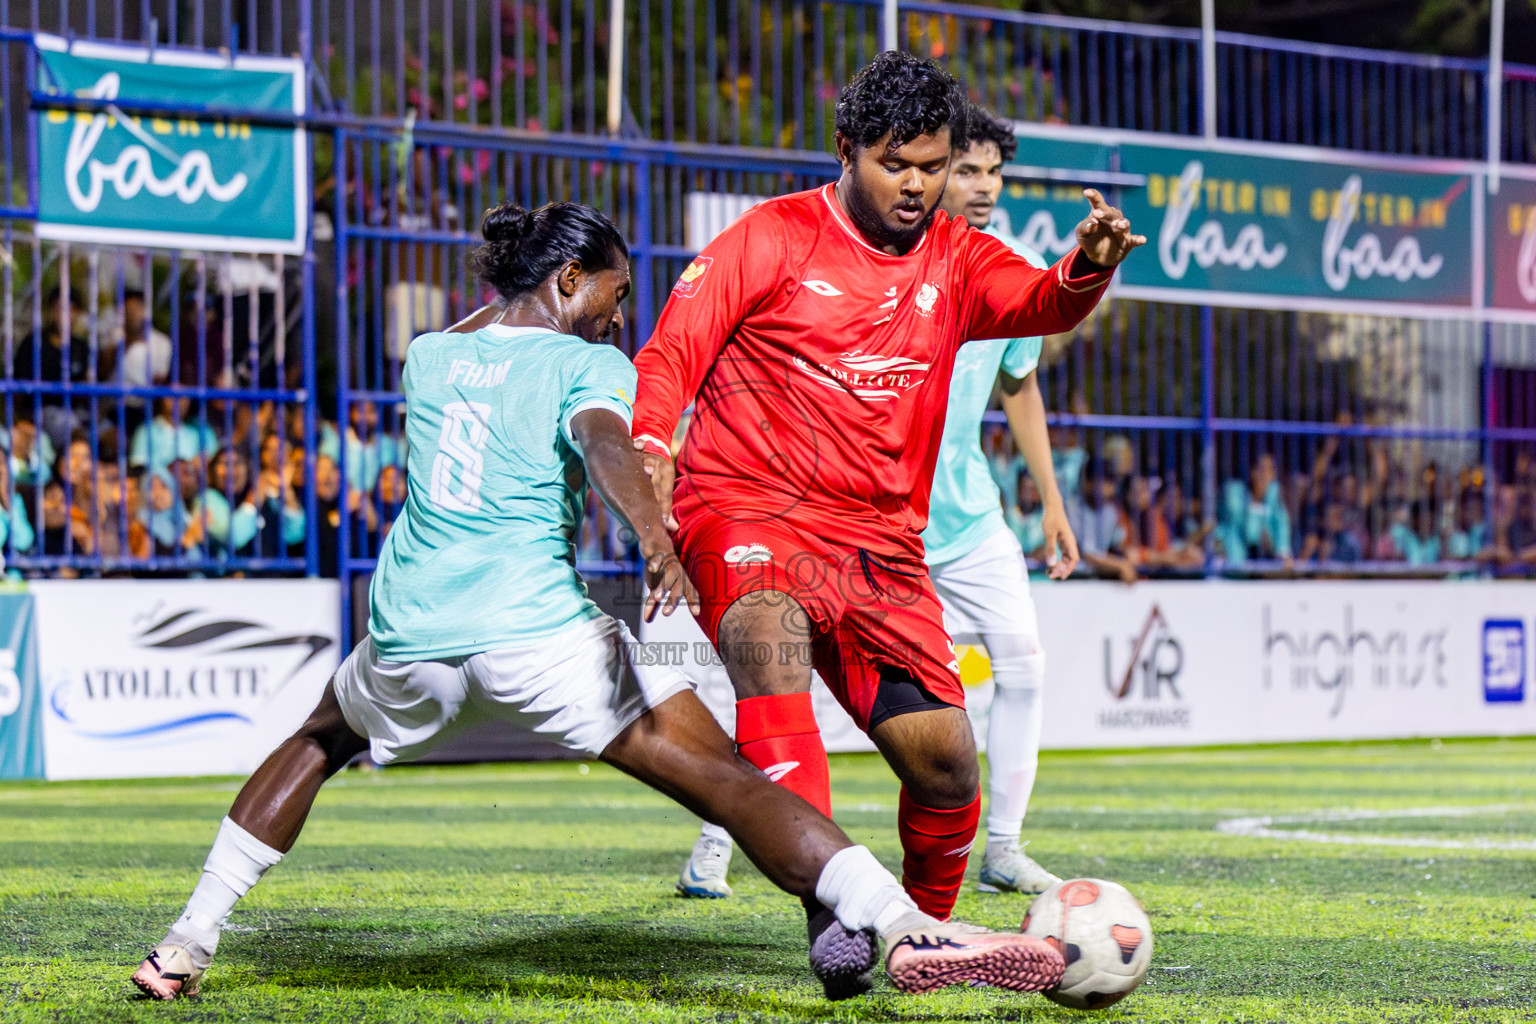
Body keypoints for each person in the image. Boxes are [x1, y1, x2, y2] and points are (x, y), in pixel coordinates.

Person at [130, 201, 1062, 1003]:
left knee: (317, 739)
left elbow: (501, 359)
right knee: (728, 780)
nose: (620, 321)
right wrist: (653, 532)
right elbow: (607, 442)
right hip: (537, 636)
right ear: (569, 280)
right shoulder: (588, 367)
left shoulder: (430, 355)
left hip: (407, 633)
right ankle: (903, 925)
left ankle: (185, 942)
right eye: (615, 298)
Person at [630, 52, 1141, 996]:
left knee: (947, 767)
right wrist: (654, 448)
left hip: (877, 542)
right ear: (846, 151)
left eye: (932, 166)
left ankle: (929, 933)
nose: (915, 184)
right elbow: (670, 353)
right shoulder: (771, 237)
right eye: (893, 163)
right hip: (744, 504)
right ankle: (837, 915)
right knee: (770, 646)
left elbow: (1039, 301)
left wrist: (1089, 267)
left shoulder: (959, 257)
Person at [674, 104, 1083, 903]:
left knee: (1010, 676)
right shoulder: (809, 244)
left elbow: (1021, 386)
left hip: (956, 518)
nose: (976, 186)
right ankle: (728, 842)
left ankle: (1001, 847)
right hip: (828, 514)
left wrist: (1051, 500)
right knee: (767, 665)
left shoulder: (1005, 265)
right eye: (964, 170)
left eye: (986, 172)